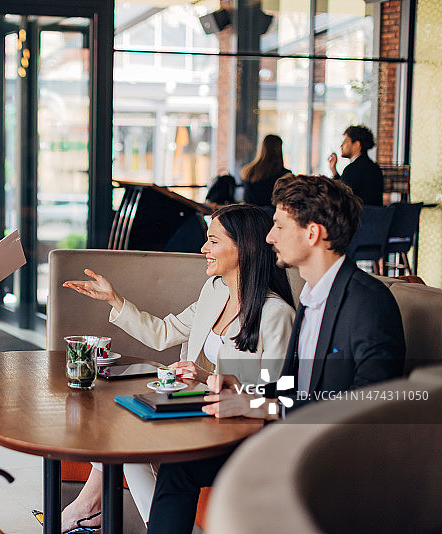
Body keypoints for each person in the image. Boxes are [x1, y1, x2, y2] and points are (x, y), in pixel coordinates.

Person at [146, 174, 405, 534]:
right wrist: (244, 390)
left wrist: (261, 407)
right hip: (289, 439)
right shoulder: (314, 298)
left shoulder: (367, 304)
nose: (269, 237)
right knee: (178, 467)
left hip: (328, 458)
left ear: (312, 233)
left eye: (280, 226)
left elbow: (370, 408)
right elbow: (294, 387)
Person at [61, 204, 296, 532]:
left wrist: (208, 379)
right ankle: (125, 516)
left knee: (154, 453)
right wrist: (115, 300)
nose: (204, 249)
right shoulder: (214, 292)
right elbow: (163, 332)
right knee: (121, 430)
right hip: (202, 415)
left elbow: (272, 396)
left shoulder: (276, 315)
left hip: (241, 432)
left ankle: (97, 509)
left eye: (213, 241)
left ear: (245, 248)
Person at [328, 125, 384, 205]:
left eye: (345, 141)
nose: (341, 146)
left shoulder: (352, 169)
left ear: (357, 145)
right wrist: (334, 170)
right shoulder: (374, 167)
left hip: (358, 216)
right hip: (373, 216)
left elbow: (340, 196)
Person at [241, 134, 291, 207]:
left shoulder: (248, 171)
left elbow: (247, 199)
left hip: (251, 215)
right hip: (271, 216)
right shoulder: (284, 175)